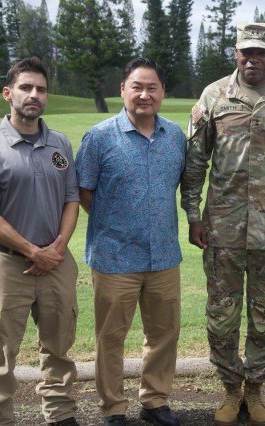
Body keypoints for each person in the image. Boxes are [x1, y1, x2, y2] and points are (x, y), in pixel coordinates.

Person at [181, 22, 265, 426]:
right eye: (246, 52)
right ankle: (229, 389)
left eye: (261, 52)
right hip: (221, 228)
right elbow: (195, 159)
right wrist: (192, 214)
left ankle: (255, 390)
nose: (253, 59)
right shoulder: (214, 95)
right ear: (235, 53)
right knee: (221, 315)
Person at [0, 57, 81, 426]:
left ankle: (60, 415)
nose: (34, 95)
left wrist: (58, 247)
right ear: (8, 93)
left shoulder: (59, 144)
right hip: (8, 267)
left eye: (41, 89)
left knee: (59, 347)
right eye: (26, 87)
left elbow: (71, 200)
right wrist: (34, 252)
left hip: (57, 264)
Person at [75, 58, 185, 426]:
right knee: (111, 338)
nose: (144, 94)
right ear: (122, 90)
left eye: (152, 87)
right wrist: (118, 224)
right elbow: (84, 191)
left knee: (164, 334)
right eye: (136, 86)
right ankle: (113, 407)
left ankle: (155, 400)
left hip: (164, 256)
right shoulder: (99, 137)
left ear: (162, 93)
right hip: (114, 257)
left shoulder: (175, 137)